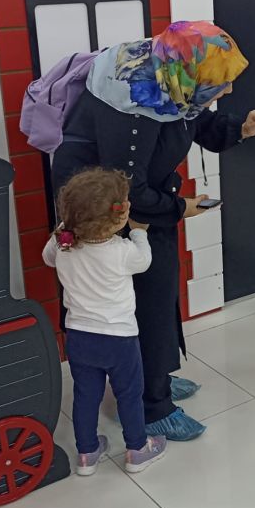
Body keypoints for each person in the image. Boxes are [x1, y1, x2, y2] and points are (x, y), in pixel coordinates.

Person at [51, 21, 255, 441]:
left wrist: (238, 127)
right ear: (187, 74)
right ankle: (149, 405)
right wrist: (180, 208)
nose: (227, 90)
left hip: (136, 198)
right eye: (220, 83)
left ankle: (152, 378)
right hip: (106, 211)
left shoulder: (171, 78)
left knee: (159, 289)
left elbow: (192, 119)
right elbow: (129, 191)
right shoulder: (133, 104)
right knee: (145, 300)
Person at [42, 168, 166, 475]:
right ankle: (137, 449)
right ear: (119, 216)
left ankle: (86, 454)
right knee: (129, 395)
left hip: (79, 337)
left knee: (86, 396)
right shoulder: (123, 252)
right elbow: (145, 260)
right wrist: (139, 232)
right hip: (119, 339)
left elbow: (47, 256)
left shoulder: (63, 245)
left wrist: (66, 225)